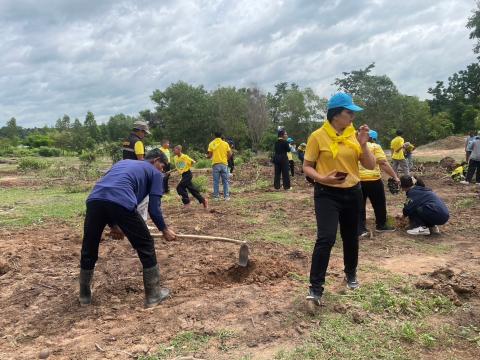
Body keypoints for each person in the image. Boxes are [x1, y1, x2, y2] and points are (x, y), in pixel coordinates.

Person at [79, 149, 176, 308]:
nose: (163, 171)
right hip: (121, 201)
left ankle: (84, 296)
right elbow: (154, 208)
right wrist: (164, 229)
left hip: (94, 200)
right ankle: (153, 295)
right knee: (145, 244)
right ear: (156, 160)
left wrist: (115, 225)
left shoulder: (123, 163)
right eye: (163, 167)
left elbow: (110, 191)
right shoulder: (155, 173)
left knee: (89, 246)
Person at [303, 92, 376, 306]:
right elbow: (306, 166)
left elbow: (371, 166)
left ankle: (350, 274)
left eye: (353, 113)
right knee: (326, 238)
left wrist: (363, 144)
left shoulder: (354, 136)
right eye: (348, 112)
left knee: (351, 236)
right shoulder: (317, 136)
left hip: (353, 192)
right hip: (327, 193)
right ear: (335, 115)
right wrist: (322, 178)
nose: (352, 116)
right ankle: (315, 288)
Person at [358, 130, 399, 237]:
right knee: (379, 203)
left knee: (359, 205)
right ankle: (381, 225)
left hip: (357, 181)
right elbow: (383, 163)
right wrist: (394, 176)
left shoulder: (354, 146)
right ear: (373, 138)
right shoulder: (375, 147)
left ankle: (360, 228)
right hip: (373, 180)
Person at [122, 121, 151, 220]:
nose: (145, 135)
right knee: (143, 199)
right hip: (136, 173)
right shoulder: (138, 142)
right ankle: (141, 223)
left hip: (126, 171)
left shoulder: (126, 140)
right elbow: (141, 161)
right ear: (139, 131)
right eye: (144, 133)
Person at [207, 132, 232, 200]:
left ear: (214, 136)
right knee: (225, 181)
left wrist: (207, 157)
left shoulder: (211, 143)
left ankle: (216, 197)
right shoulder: (225, 143)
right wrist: (226, 159)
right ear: (221, 136)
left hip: (215, 164)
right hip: (224, 164)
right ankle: (226, 196)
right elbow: (230, 154)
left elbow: (210, 155)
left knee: (216, 181)